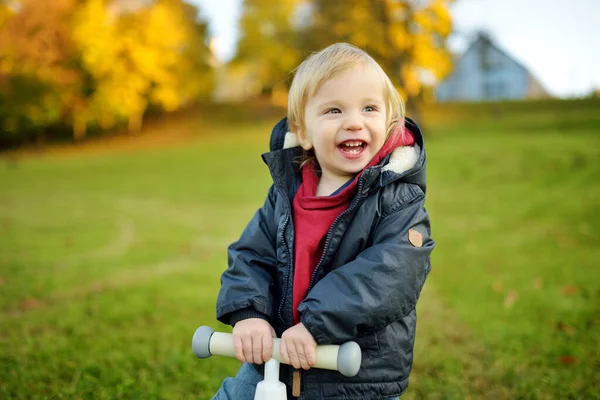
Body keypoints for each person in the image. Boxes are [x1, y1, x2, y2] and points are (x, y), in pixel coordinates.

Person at [212, 42, 434, 400]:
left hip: (354, 375)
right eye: (334, 110)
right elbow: (252, 255)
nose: (353, 122)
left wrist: (315, 325)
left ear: (388, 120)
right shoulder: (286, 195)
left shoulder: (397, 199)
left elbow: (391, 274)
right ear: (303, 132)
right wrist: (250, 312)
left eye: (369, 108)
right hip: (277, 363)